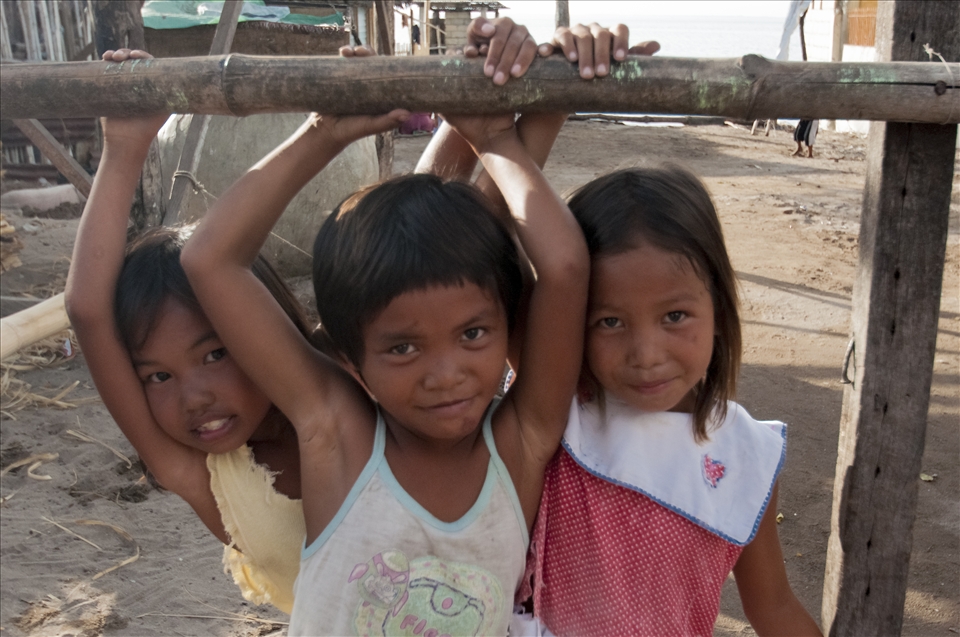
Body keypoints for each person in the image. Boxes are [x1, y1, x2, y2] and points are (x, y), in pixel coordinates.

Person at [180, 36, 588, 637]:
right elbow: (209, 260)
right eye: (402, 348)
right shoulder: (337, 437)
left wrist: (497, 138)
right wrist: (324, 133)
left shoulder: (518, 447)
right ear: (350, 360)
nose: (445, 373)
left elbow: (565, 269)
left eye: (473, 333)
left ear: (508, 323)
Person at [517, 166, 822, 636]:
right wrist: (499, 137)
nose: (646, 356)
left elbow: (775, 607)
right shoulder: (559, 405)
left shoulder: (744, 457)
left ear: (718, 311)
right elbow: (466, 235)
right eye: (610, 322)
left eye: (675, 316)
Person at [64, 49, 311, 614]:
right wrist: (125, 149)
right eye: (157, 375)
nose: (193, 397)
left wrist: (323, 132)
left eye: (216, 353)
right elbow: (88, 311)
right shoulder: (209, 481)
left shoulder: (339, 390)